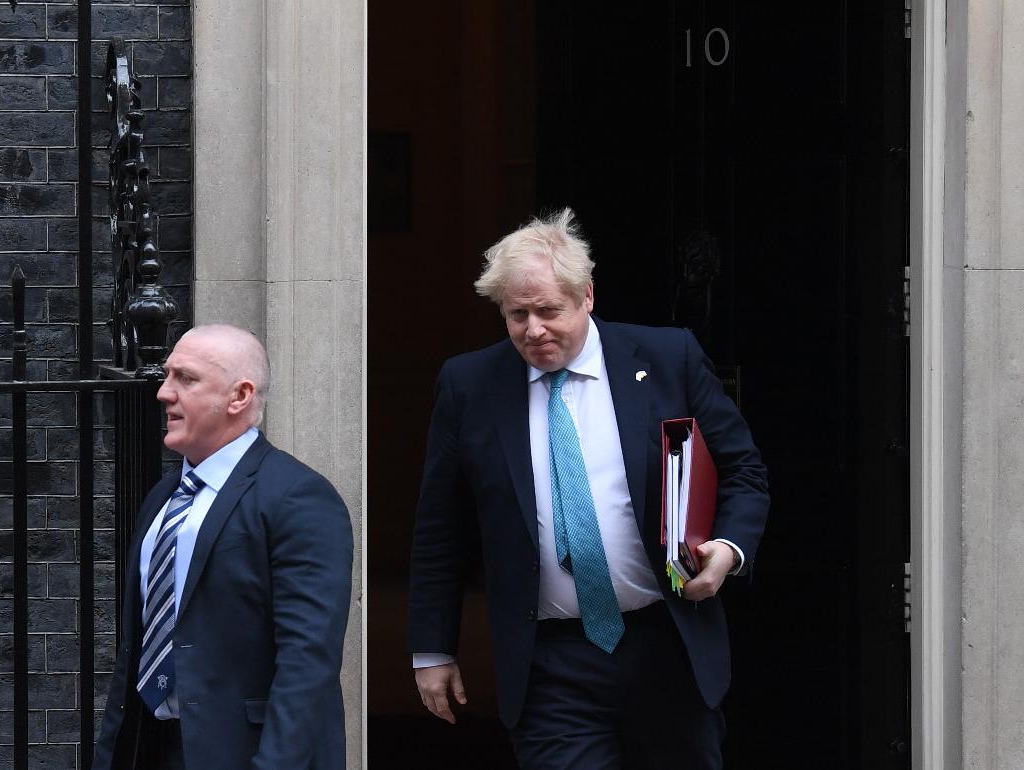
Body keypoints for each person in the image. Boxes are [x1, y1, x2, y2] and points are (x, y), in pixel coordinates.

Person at [408, 209, 769, 768]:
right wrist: (433, 648)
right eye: (517, 314)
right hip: (550, 661)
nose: (534, 330)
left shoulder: (667, 358)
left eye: (549, 311)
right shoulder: (470, 385)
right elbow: (441, 526)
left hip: (666, 643)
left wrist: (728, 548)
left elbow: (743, 469)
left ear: (587, 297)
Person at [94, 324, 353, 770]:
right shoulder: (162, 498)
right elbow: (136, 651)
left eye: (186, 379)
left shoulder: (299, 497)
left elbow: (308, 662)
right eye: (168, 375)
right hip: (155, 747)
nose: (163, 393)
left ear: (240, 396)